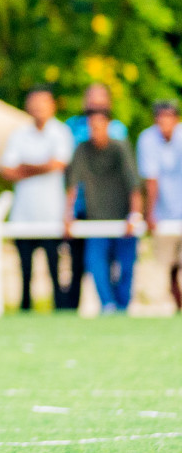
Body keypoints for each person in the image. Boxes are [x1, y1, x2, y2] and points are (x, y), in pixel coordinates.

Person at [1, 87, 75, 310]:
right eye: (34, 103)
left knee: (55, 269)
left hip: (51, 214)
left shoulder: (61, 132)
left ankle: (59, 309)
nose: (38, 108)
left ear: (52, 105)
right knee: (24, 271)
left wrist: (25, 166)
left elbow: (58, 164)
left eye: (43, 103)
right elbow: (7, 171)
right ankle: (25, 309)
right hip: (23, 215)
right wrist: (43, 165)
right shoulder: (19, 134)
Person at [65, 107, 142, 313]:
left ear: (108, 125)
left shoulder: (120, 148)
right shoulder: (82, 149)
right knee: (95, 263)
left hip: (123, 217)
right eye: (91, 126)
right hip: (96, 218)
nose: (95, 130)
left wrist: (134, 215)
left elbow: (134, 184)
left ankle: (123, 306)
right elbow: (72, 185)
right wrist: (68, 215)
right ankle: (108, 304)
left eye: (99, 125)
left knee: (126, 266)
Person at [64, 83, 129, 299]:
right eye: (91, 97)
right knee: (85, 263)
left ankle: (115, 306)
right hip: (84, 208)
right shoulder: (72, 127)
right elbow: (71, 173)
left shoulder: (118, 130)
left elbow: (128, 176)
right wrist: (69, 211)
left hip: (112, 207)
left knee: (115, 261)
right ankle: (98, 305)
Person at [138, 100, 182, 310]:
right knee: (168, 265)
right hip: (163, 214)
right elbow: (151, 180)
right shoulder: (147, 139)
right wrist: (150, 214)